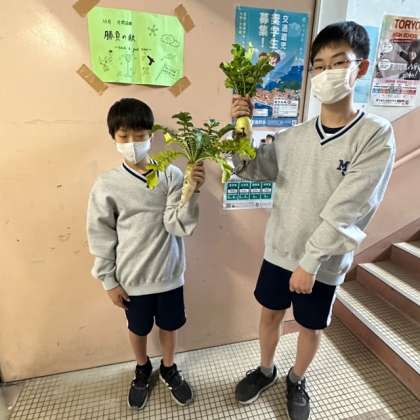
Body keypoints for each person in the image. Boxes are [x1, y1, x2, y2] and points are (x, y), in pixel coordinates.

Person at [231, 21, 395, 420]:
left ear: (361, 67)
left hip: (322, 262)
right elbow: (249, 169)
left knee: (310, 327)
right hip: (280, 250)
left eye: (338, 63)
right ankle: (266, 370)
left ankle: (297, 378)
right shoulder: (293, 137)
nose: (326, 73)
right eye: (319, 66)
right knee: (269, 314)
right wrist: (240, 128)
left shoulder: (375, 135)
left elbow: (351, 207)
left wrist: (310, 261)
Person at [87, 98, 205, 410]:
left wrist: (192, 192)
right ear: (113, 137)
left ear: (151, 135)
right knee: (137, 328)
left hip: (168, 274)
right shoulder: (106, 184)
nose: (132, 143)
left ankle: (168, 366)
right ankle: (142, 368)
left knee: (170, 326)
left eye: (139, 136)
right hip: (132, 279)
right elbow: (100, 234)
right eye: (124, 136)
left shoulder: (171, 175)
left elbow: (177, 225)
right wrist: (108, 281)